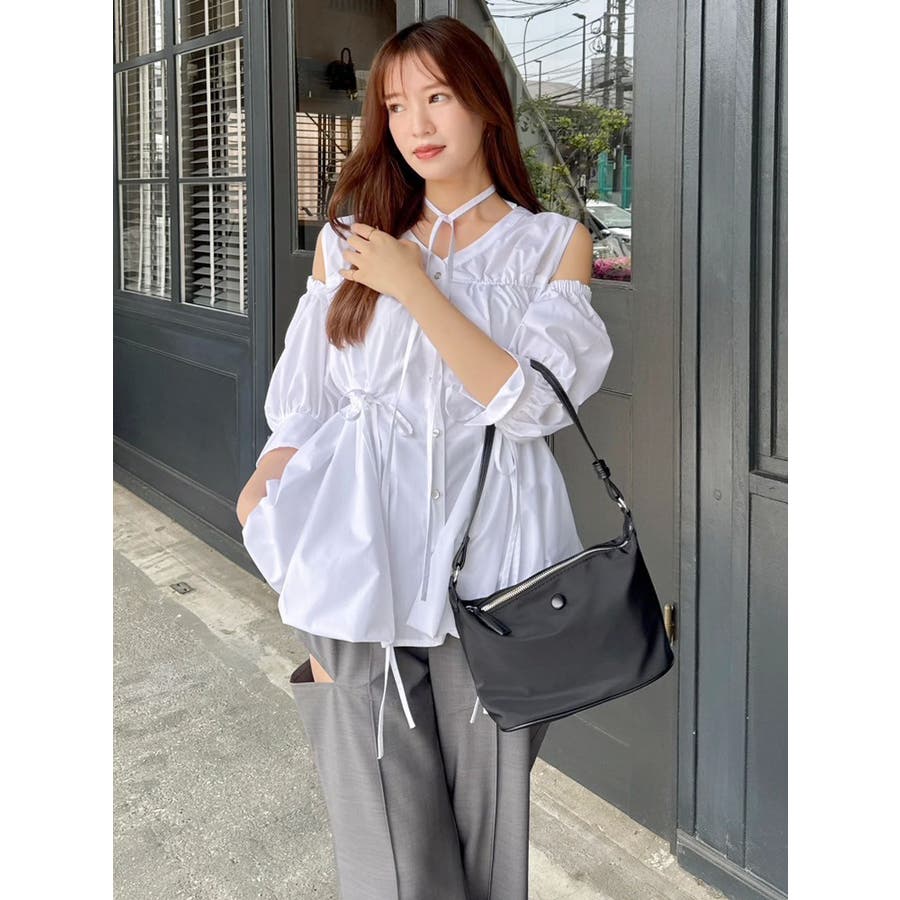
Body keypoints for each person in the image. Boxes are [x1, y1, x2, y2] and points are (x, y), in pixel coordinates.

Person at [236, 15, 614, 900]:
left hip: (497, 578)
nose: (417, 124)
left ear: (485, 104)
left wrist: (415, 285)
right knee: (387, 851)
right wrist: (264, 501)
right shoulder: (347, 241)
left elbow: (532, 404)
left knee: (488, 843)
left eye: (437, 97)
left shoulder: (551, 243)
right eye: (396, 105)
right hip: (356, 566)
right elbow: (307, 402)